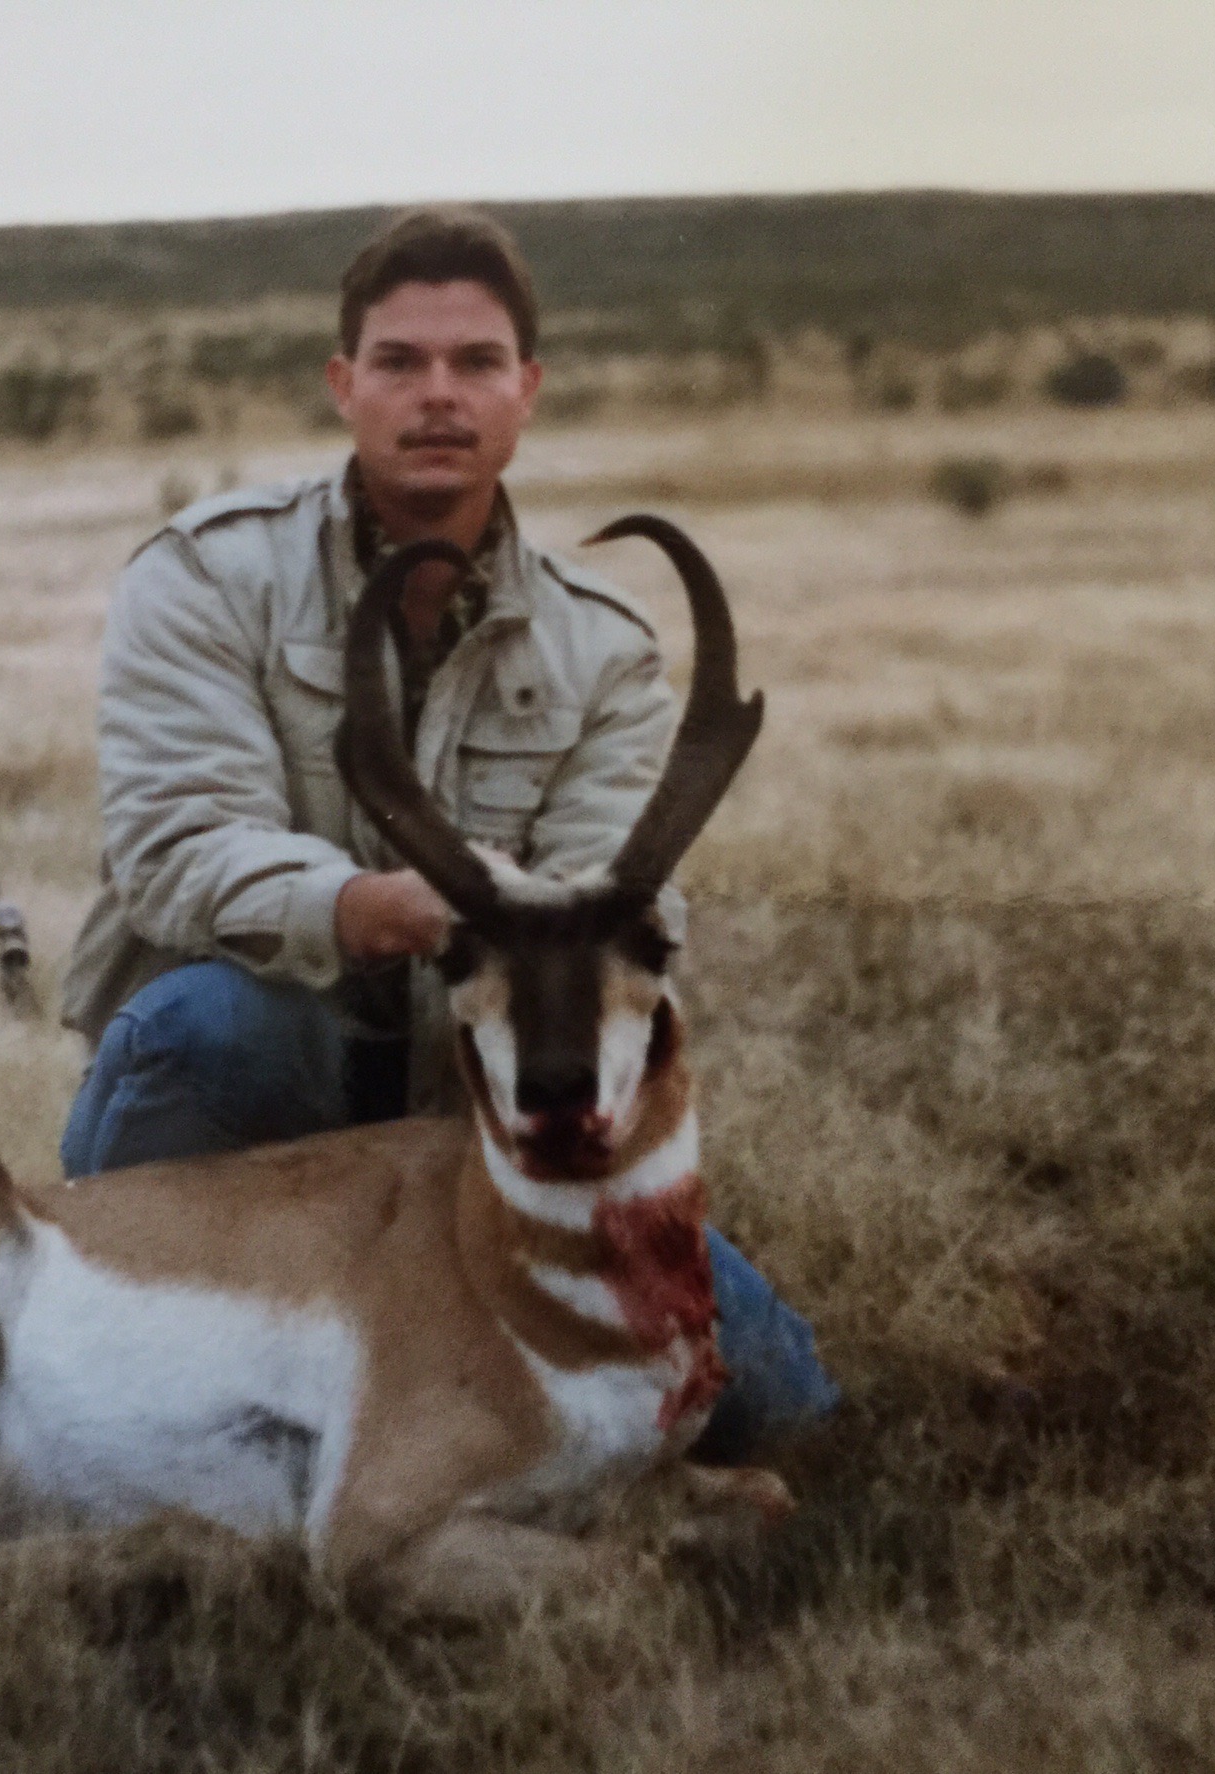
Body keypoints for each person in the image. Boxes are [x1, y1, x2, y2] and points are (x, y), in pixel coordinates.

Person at [59, 206, 837, 1454]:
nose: (438, 394)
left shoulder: (606, 650)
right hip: (260, 1078)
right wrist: (363, 908)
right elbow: (176, 846)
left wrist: (541, 940)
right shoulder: (206, 576)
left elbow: (622, 910)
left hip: (480, 1124)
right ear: (342, 385)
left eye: (476, 362)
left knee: (774, 1404)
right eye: (400, 361)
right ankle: (129, 1354)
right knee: (215, 1025)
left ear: (527, 390)